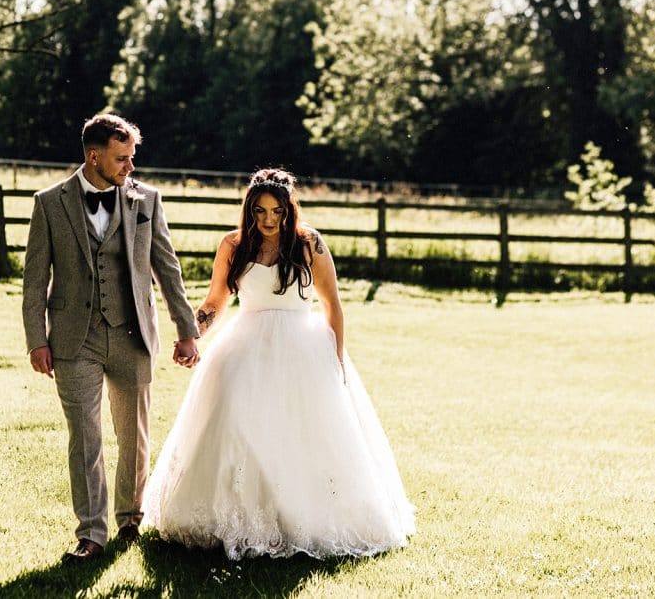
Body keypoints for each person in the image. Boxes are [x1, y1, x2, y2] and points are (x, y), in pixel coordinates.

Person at [142, 168, 415, 559]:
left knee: (301, 431)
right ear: (249, 211)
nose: (268, 220)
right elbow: (216, 301)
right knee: (233, 419)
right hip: (245, 344)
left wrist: (335, 360)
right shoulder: (233, 246)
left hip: (302, 348)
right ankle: (239, 519)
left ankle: (296, 520)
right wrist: (192, 332)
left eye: (276, 212)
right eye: (259, 211)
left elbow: (332, 305)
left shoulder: (309, 245)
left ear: (290, 210)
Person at [22, 113, 200, 563]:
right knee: (85, 436)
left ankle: (131, 518)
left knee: (133, 436)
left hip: (132, 334)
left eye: (132, 158)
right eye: (121, 159)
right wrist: (35, 339)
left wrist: (186, 331)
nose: (129, 167)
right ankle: (92, 533)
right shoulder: (49, 203)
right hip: (72, 339)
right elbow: (34, 279)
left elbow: (168, 268)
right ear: (93, 156)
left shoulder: (147, 201)